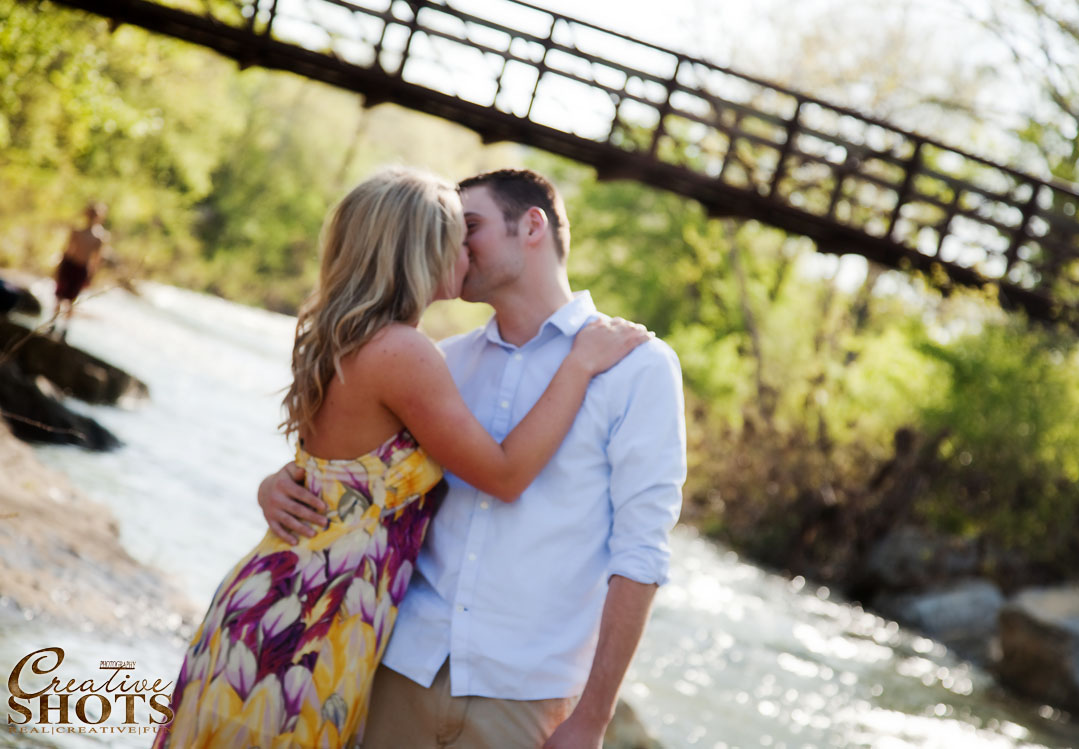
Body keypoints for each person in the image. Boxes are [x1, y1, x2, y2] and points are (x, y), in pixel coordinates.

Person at [154, 167, 649, 749]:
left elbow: (339, 470)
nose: (466, 251)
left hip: (301, 603)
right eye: (457, 236)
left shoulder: (360, 338)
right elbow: (504, 474)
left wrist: (277, 483)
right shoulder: (407, 354)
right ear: (420, 249)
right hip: (309, 616)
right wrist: (580, 363)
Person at [52, 201, 109, 338]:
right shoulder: (77, 231)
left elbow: (96, 260)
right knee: (59, 296)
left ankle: (65, 328)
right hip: (69, 265)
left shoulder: (99, 237)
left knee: (71, 300)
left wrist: (91, 276)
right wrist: (59, 266)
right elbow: (67, 250)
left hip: (81, 269)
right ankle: (52, 324)